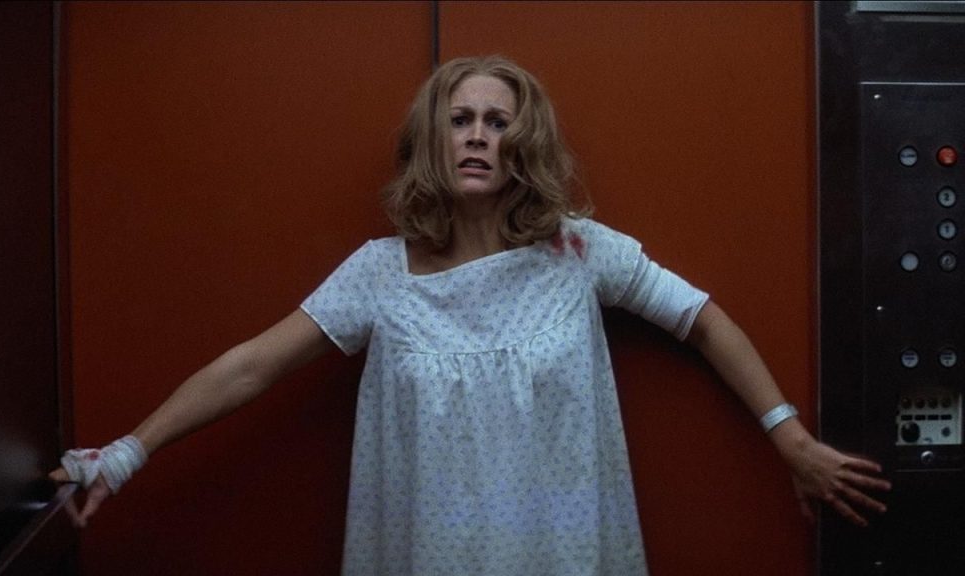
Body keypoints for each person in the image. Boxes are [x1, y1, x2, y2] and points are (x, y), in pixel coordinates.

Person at [51, 55, 891, 574]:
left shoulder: (578, 251)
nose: (478, 136)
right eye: (459, 121)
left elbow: (703, 319)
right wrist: (126, 453)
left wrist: (789, 437)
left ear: (524, 142)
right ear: (434, 141)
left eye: (497, 121)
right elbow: (250, 367)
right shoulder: (380, 275)